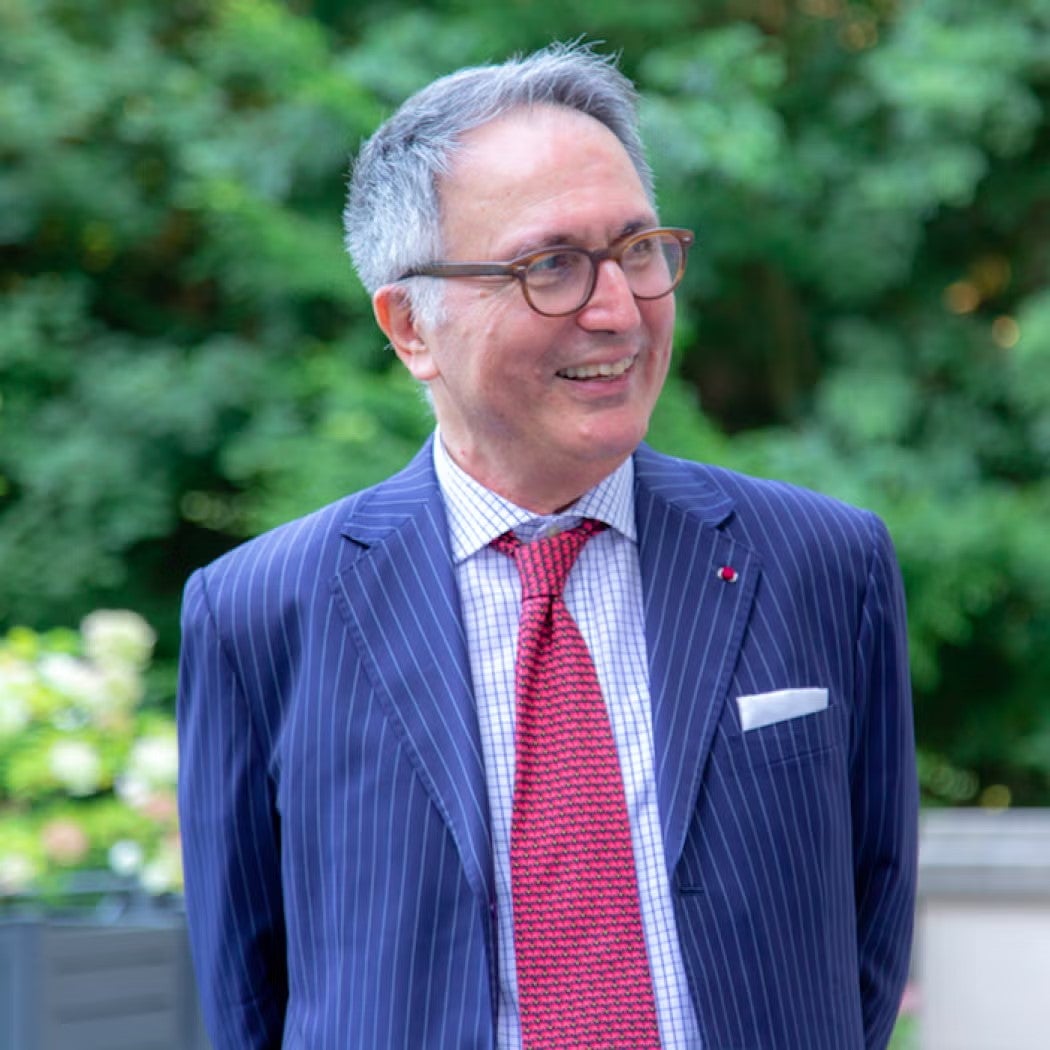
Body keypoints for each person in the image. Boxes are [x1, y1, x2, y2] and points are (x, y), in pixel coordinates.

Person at [177, 41, 918, 1050]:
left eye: (638, 251)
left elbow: (868, 929)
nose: (616, 311)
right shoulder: (260, 610)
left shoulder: (823, 563)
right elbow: (246, 990)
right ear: (410, 328)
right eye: (551, 267)